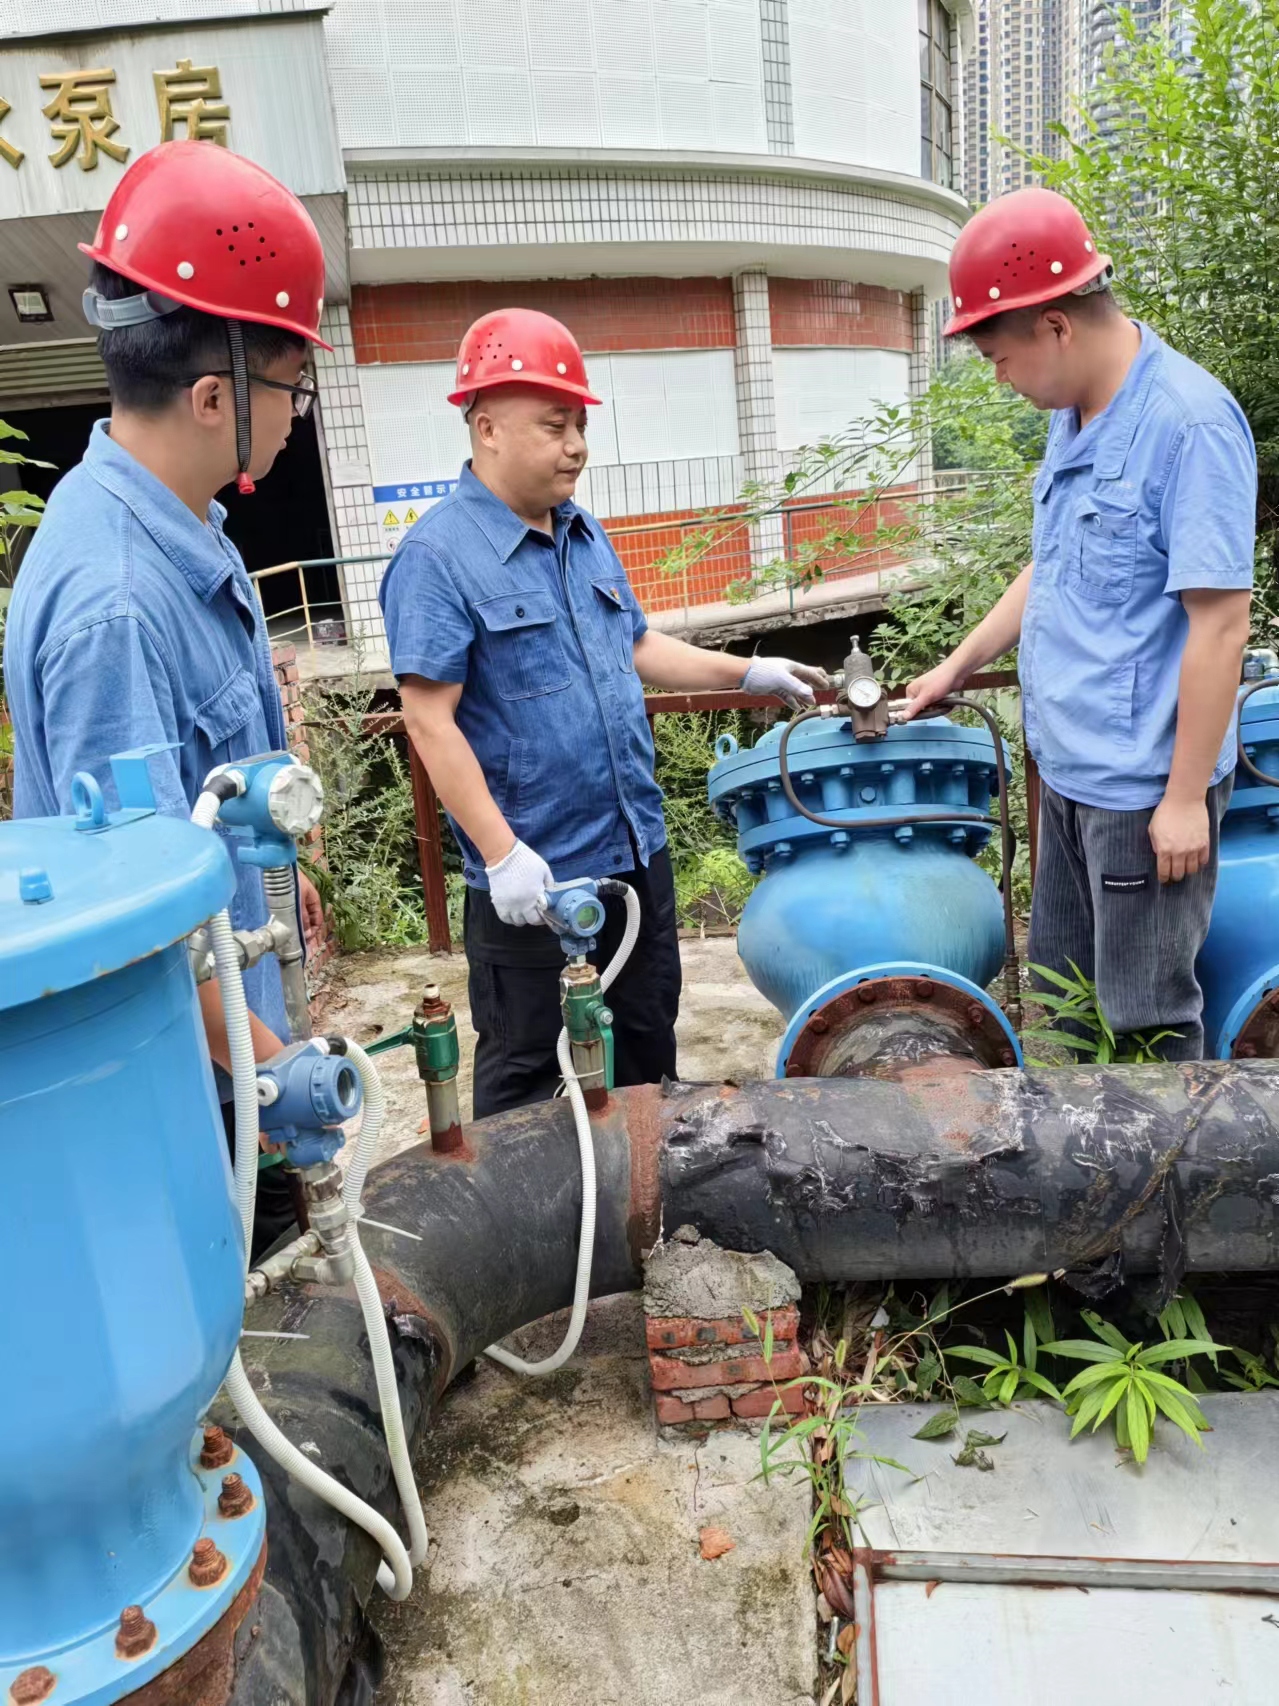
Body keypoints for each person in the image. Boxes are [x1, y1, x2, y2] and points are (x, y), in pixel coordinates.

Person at [4, 141, 330, 1255]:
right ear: (212, 395)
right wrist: (283, 1076)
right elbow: (140, 939)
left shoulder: (181, 525)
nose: (297, 415)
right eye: (290, 385)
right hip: (185, 1092)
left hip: (228, 1051)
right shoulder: (118, 605)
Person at [380, 307, 827, 1116]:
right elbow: (428, 720)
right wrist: (502, 855)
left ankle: (640, 1188)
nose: (576, 446)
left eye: (580, 425)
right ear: (486, 427)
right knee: (530, 1076)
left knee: (646, 1046)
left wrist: (748, 670)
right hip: (538, 876)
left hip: (635, 852)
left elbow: (636, 645)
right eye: (554, 426)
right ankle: (536, 1205)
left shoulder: (582, 533)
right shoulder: (436, 557)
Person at [903, 187, 1255, 1059]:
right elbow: (1052, 566)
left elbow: (1219, 625)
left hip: (1141, 793)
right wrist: (955, 665)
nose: (999, 377)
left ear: (1054, 326)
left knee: (1144, 1021)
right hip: (1065, 770)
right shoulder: (1075, 415)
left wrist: (1182, 800)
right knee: (1064, 1005)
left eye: (999, 356)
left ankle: (1165, 1154)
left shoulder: (1188, 425)